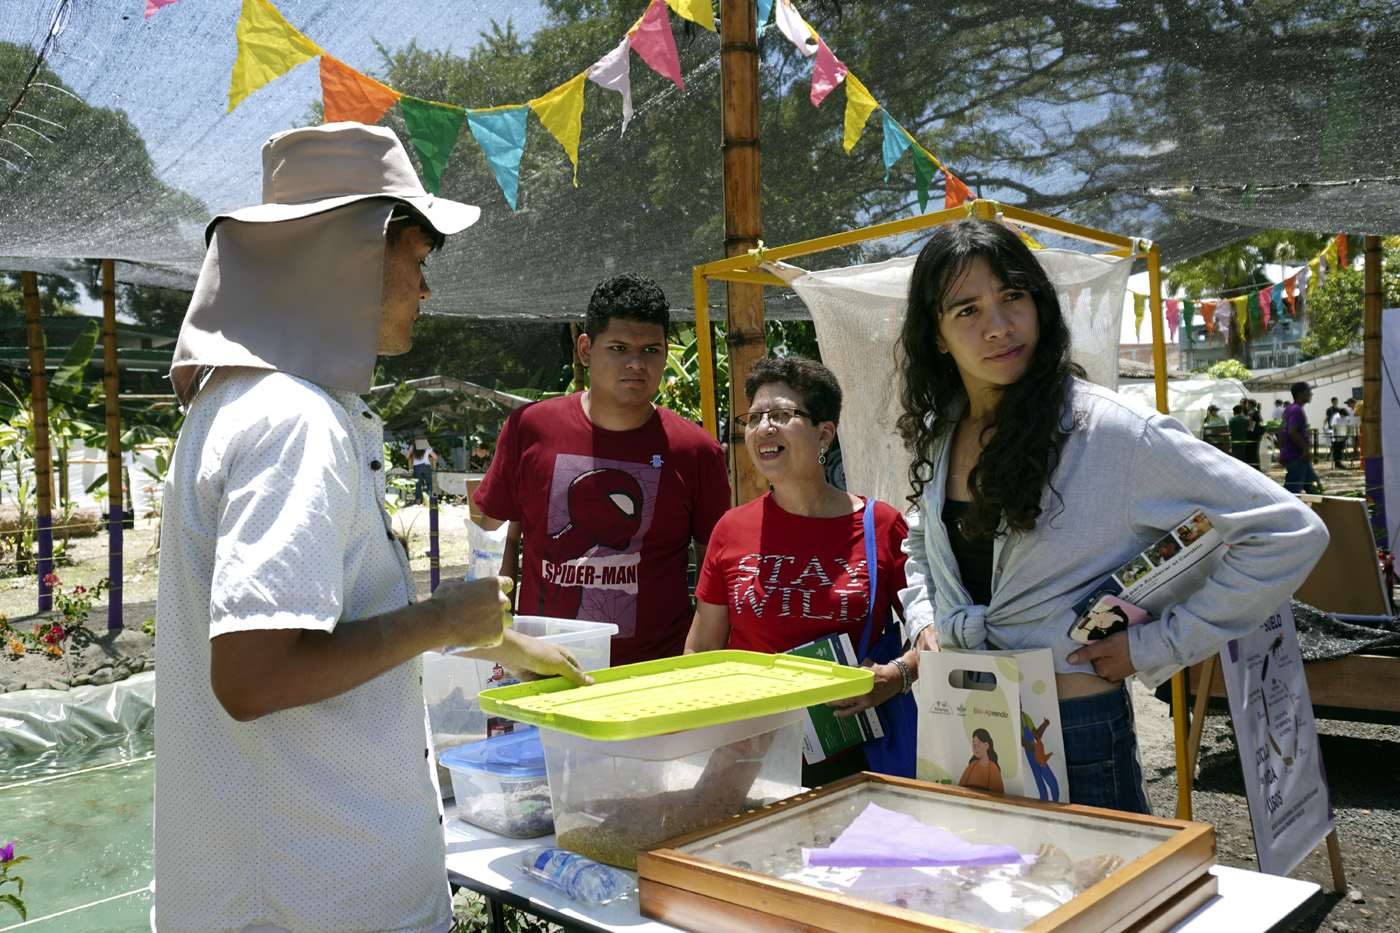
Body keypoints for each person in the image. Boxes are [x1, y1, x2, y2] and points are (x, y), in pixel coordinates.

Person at [152, 122, 592, 933]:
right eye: (417, 262)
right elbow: (255, 674)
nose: (426, 292)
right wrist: (439, 619)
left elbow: (323, 623)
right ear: (348, 256)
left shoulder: (245, 404)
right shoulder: (294, 421)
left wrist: (486, 637)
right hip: (309, 901)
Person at [895, 218, 1328, 813]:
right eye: (967, 310)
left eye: (1013, 297)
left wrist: (1155, 647)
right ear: (938, 336)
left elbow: (1287, 530)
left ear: (1040, 304)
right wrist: (925, 621)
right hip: (966, 716)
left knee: (1106, 901)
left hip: (1074, 730)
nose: (998, 326)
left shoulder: (1110, 430)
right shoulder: (942, 432)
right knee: (995, 898)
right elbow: (922, 546)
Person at [472, 273, 731, 666]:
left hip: (653, 674)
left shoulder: (697, 451)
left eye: (651, 350)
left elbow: (716, 577)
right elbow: (495, 539)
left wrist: (695, 666)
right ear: (586, 350)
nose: (636, 363)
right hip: (544, 669)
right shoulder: (529, 428)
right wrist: (500, 641)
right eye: (619, 347)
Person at [685, 356, 914, 784]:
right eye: (754, 418)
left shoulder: (881, 525)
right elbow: (700, 652)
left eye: (783, 414)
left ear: (824, 433)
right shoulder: (730, 529)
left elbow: (937, 634)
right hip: (747, 760)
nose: (763, 427)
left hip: (855, 758)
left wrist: (898, 676)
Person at [1280, 381, 1322, 493]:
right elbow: (1291, 432)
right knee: (1292, 493)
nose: (1311, 394)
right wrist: (1305, 449)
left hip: (1299, 458)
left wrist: (1282, 451)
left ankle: (1320, 510)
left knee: (1316, 490)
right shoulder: (1296, 410)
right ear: (1300, 394)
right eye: (1308, 391)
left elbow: (1281, 431)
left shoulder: (1288, 409)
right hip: (1298, 457)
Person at [958, 728, 1004, 793]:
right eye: (974, 744)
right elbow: (960, 787)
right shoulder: (971, 766)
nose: (975, 747)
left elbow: (999, 793)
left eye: (978, 744)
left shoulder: (993, 768)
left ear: (986, 745)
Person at [407, 437, 438, 504]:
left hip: (416, 467)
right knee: (429, 484)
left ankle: (418, 501)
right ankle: (426, 501)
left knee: (418, 485)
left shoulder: (413, 446)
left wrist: (412, 457)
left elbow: (407, 456)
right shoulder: (427, 447)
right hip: (426, 466)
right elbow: (435, 457)